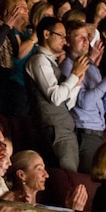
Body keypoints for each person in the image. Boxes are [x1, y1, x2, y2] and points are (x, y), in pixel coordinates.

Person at [62, 20, 106, 172]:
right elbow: (83, 102)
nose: (86, 41)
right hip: (84, 132)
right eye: (80, 37)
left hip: (99, 132)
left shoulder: (92, 67)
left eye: (87, 37)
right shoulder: (68, 66)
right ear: (68, 42)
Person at [25, 17, 81, 171]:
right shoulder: (39, 60)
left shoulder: (51, 62)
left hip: (65, 129)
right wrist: (74, 75)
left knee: (70, 175)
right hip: (55, 130)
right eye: (61, 35)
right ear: (46, 34)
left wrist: (77, 83)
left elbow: (67, 104)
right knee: (64, 176)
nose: (64, 40)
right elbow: (55, 97)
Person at [0, 150, 87, 212]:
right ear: (22, 175)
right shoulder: (19, 211)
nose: (46, 175)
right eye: (39, 169)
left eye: (44, 169)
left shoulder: (43, 209)